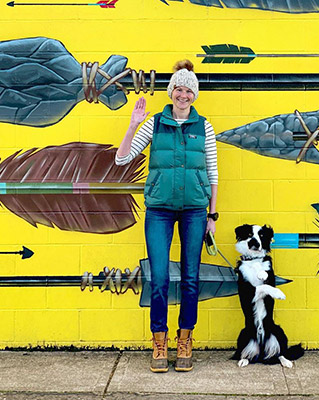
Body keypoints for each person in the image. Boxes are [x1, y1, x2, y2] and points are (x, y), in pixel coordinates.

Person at [115, 60, 218, 373]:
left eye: (188, 90)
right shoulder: (155, 123)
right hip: (159, 210)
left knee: (190, 279)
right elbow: (122, 159)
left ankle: (185, 339)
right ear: (171, 91)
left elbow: (213, 173)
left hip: (195, 210)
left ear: (194, 95)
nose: (183, 94)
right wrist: (134, 123)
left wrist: (212, 214)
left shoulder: (205, 127)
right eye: (178, 88)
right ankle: (159, 341)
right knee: (158, 278)